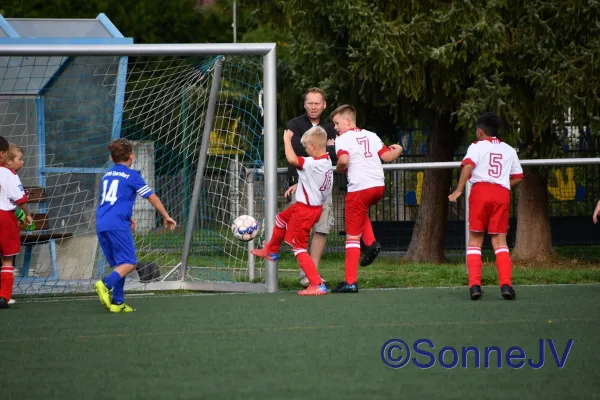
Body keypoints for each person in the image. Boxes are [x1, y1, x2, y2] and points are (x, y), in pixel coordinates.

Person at [94, 138, 177, 312]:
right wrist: (166, 215)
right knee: (130, 262)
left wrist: (128, 217)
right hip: (117, 224)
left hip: (103, 222)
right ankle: (105, 284)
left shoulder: (107, 175)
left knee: (120, 264)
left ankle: (118, 303)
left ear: (111, 158)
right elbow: (151, 196)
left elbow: (115, 199)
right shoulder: (132, 176)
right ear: (131, 156)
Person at [448, 112, 523, 301]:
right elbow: (518, 177)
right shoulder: (509, 149)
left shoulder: (477, 146)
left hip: (481, 192)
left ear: (480, 131)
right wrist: (503, 185)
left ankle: (475, 286)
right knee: (500, 242)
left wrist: (458, 190)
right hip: (501, 194)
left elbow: (467, 166)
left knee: (475, 240)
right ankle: (506, 284)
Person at [252, 126, 333, 296]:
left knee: (299, 248)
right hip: (308, 207)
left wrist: (286, 140)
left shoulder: (312, 163)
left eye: (305, 147)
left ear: (313, 147)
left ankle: (316, 284)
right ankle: (271, 250)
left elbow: (292, 159)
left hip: (306, 210)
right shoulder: (326, 162)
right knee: (281, 219)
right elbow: (314, 182)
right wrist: (300, 184)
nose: (305, 150)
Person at [331, 105, 403, 293]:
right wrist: (399, 149)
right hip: (378, 186)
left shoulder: (342, 139)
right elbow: (387, 156)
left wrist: (339, 169)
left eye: (337, 123)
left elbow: (344, 161)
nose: (336, 127)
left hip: (359, 187)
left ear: (348, 121)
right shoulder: (371, 135)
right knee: (359, 212)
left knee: (352, 237)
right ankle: (371, 243)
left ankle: (350, 282)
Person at [286, 88, 338, 287]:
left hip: (323, 188)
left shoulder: (331, 127)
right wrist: (326, 148)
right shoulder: (295, 124)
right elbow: (298, 150)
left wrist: (328, 149)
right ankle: (305, 275)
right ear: (305, 104)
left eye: (318, 103)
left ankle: (313, 273)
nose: (314, 107)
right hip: (301, 187)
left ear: (324, 104)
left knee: (322, 228)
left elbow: (336, 152)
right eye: (310, 103)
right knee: (302, 230)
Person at [0, 143, 33, 308]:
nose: (22, 162)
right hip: (4, 217)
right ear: (8, 161)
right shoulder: (10, 175)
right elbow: (21, 199)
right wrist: (27, 214)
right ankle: (4, 296)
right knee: (7, 258)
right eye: (20, 159)